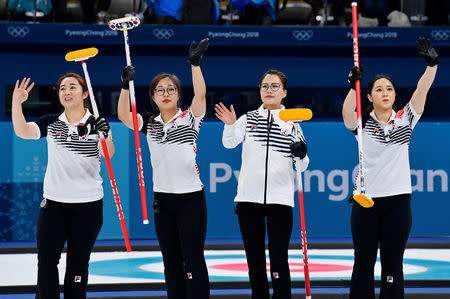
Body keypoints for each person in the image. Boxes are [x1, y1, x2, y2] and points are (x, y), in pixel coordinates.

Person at [342, 37, 439, 299]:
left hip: (398, 202)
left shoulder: (405, 119)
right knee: (363, 263)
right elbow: (347, 115)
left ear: (395, 95)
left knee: (392, 265)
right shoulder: (361, 124)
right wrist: (353, 87)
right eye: (379, 89)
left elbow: (421, 91)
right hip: (366, 202)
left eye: (390, 89)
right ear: (370, 96)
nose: (385, 93)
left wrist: (432, 66)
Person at [117, 38, 210, 299]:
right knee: (171, 261)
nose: (166, 93)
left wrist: (194, 64)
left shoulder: (191, 119)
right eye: (160, 90)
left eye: (171, 89)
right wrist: (125, 86)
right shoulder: (149, 124)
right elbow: (124, 115)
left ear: (179, 95)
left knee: (192, 258)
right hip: (163, 201)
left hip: (191, 199)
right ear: (153, 97)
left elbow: (201, 95)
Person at [11, 73, 113, 299]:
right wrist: (17, 104)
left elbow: (109, 154)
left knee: (78, 268)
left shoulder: (97, 124)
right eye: (62, 88)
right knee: (46, 266)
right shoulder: (51, 122)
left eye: (73, 87)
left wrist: (104, 135)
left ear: (85, 94)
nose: (67, 92)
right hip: (54, 207)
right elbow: (22, 132)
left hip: (88, 208)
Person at [215, 69, 310, 299]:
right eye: (265, 86)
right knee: (254, 260)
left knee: (279, 260)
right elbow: (229, 144)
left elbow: (302, 166)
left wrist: (301, 153)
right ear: (259, 91)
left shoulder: (293, 125)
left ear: (284, 92)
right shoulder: (248, 119)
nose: (269, 90)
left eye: (275, 86)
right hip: (249, 201)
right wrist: (229, 124)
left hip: (280, 201)